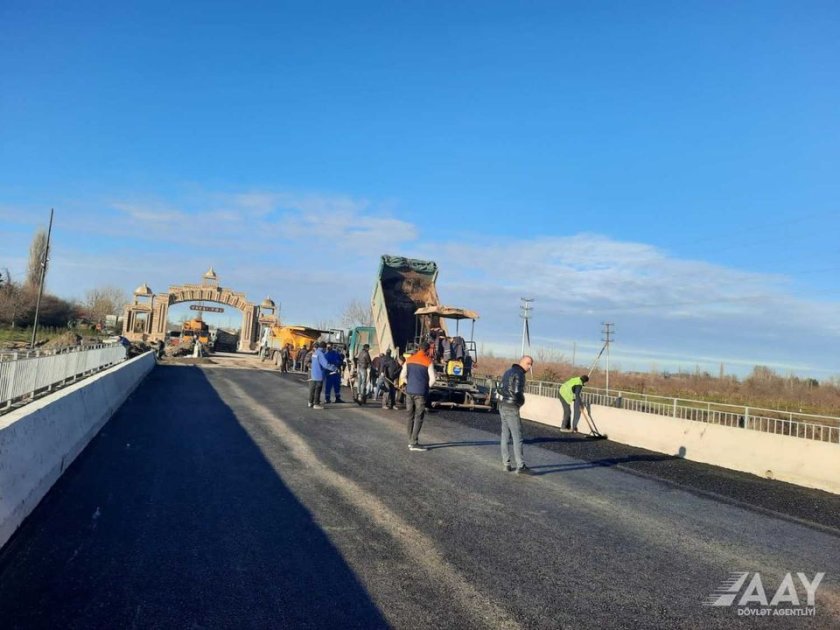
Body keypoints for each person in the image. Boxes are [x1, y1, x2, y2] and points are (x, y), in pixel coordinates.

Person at [496, 356, 536, 475]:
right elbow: (517, 392)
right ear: (522, 362)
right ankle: (520, 465)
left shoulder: (508, 372)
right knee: (517, 436)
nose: (530, 367)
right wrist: (521, 402)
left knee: (505, 435)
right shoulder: (520, 374)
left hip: (502, 405)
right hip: (511, 407)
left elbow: (500, 389)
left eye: (531, 364)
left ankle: (506, 464)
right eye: (528, 364)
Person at [399, 341, 436, 451]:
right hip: (420, 394)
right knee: (418, 417)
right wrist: (426, 387)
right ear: (428, 350)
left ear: (419, 348)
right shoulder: (428, 361)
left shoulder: (409, 360)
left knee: (409, 416)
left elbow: (402, 376)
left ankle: (410, 439)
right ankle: (414, 443)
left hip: (409, 392)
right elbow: (433, 379)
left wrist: (408, 383)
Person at [309, 341, 338, 410]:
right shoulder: (321, 354)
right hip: (319, 374)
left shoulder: (315, 353)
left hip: (313, 374)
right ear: (324, 348)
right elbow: (325, 365)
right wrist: (334, 368)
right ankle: (316, 404)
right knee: (318, 390)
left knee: (312, 389)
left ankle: (310, 402)